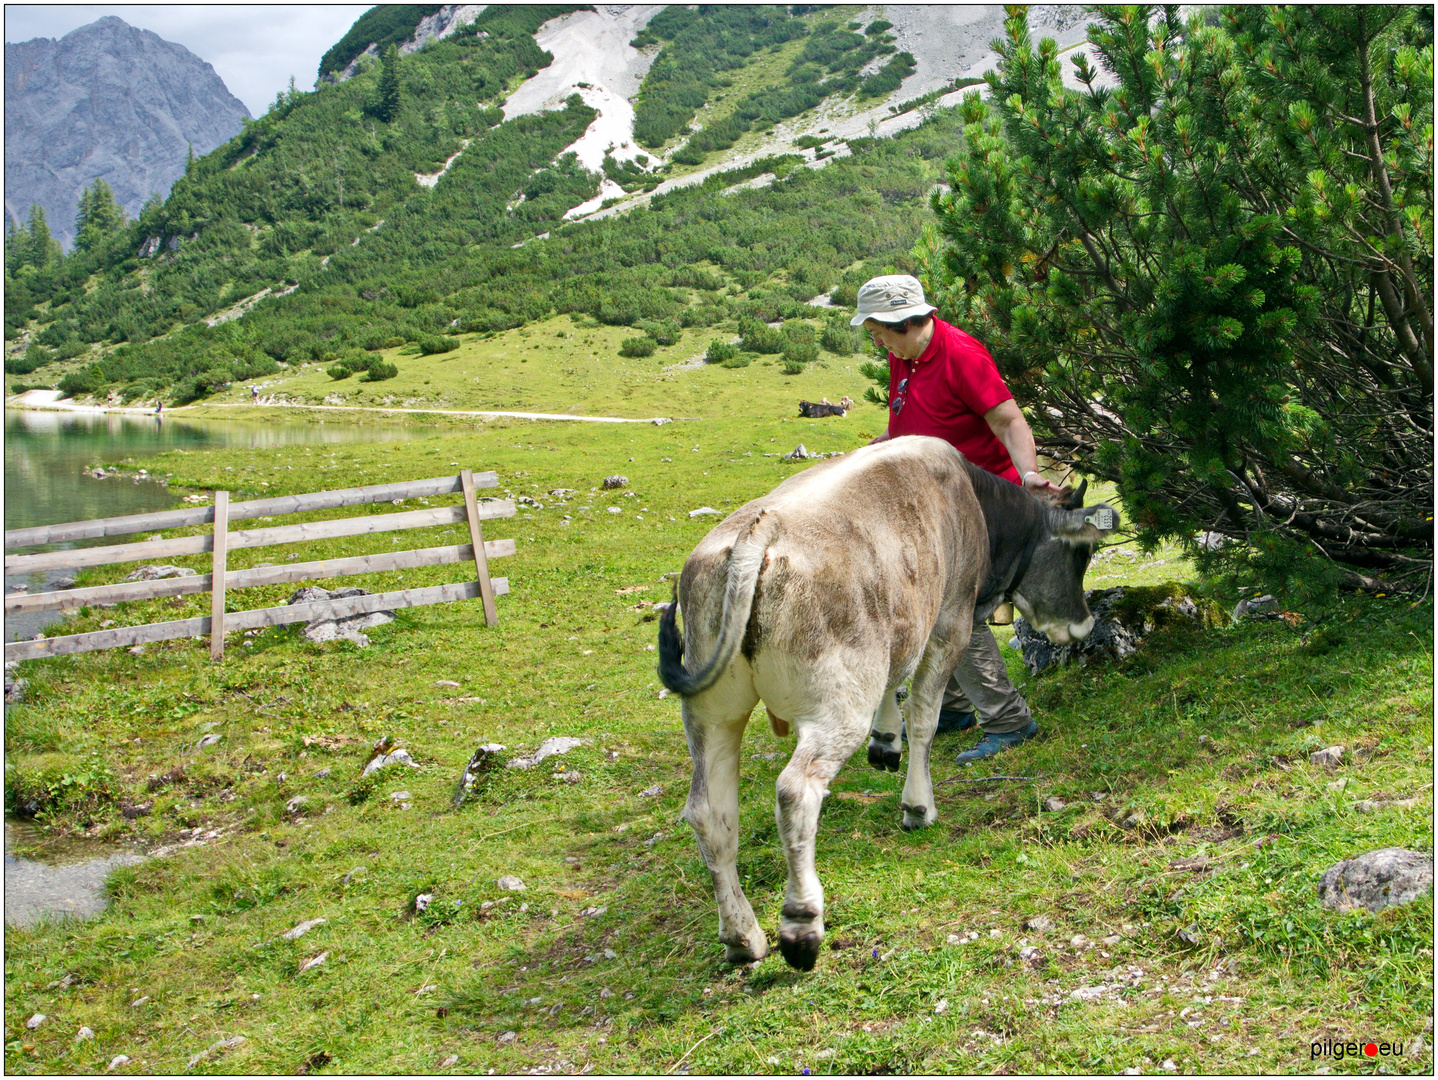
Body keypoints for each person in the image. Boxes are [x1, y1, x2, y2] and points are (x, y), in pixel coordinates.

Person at [851, 274, 1060, 764]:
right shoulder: (902, 354)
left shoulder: (961, 354)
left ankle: (1008, 721)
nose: (873, 338)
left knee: (951, 609)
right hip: (934, 503)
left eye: (876, 328)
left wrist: (1029, 475)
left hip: (983, 505)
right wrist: (884, 447)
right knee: (923, 598)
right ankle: (952, 707)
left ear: (902, 321)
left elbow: (1009, 421)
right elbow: (915, 418)